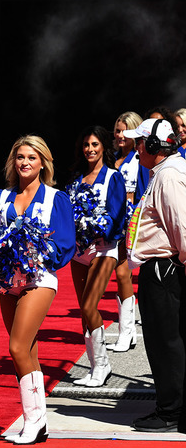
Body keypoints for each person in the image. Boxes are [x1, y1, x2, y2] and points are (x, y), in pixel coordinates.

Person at [0, 135, 75, 445]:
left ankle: (33, 420)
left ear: (43, 162)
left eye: (32, 157)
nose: (25, 162)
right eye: (20, 157)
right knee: (28, 350)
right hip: (9, 283)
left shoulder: (55, 198)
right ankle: (37, 420)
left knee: (17, 348)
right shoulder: (2, 197)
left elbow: (65, 243)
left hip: (39, 280)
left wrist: (35, 254)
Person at [123, 118, 186, 433]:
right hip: (163, 269)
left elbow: (183, 229)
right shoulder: (165, 173)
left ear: (152, 146)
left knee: (166, 343)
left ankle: (171, 410)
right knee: (166, 341)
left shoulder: (168, 177)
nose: (135, 148)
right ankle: (172, 406)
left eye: (139, 142)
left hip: (164, 269)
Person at [68, 126, 126, 387]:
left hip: (104, 248)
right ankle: (95, 367)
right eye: (86, 145)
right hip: (80, 252)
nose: (90, 149)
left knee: (91, 306)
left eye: (94, 144)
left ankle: (102, 366)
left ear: (104, 146)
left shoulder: (113, 177)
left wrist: (96, 227)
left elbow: (117, 214)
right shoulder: (76, 178)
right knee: (84, 310)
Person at [109, 111, 145, 352]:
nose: (121, 135)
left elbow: (144, 191)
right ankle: (126, 332)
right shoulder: (111, 158)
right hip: (111, 223)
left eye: (125, 131)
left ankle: (127, 332)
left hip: (130, 223)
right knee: (117, 275)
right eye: (118, 130)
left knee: (123, 275)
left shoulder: (140, 159)